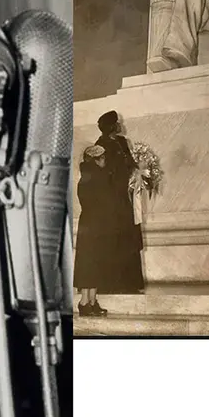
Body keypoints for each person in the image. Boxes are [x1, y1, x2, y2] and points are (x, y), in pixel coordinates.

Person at [94, 113, 144, 294]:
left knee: (128, 238)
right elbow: (101, 173)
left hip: (124, 198)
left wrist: (137, 174)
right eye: (116, 123)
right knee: (114, 240)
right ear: (110, 127)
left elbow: (130, 163)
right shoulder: (99, 146)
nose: (119, 125)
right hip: (111, 201)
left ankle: (129, 283)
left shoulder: (122, 142)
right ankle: (112, 283)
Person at [73, 147, 109, 317]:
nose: (105, 161)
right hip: (94, 224)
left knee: (94, 262)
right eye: (103, 158)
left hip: (90, 223)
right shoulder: (95, 178)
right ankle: (85, 302)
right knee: (91, 262)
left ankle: (91, 301)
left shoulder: (87, 178)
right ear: (96, 160)